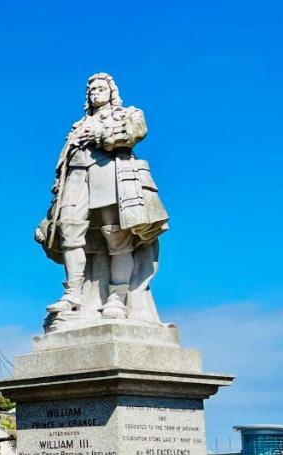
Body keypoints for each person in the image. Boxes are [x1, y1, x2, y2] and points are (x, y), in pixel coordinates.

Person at [35, 72, 168, 322]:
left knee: (116, 236)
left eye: (100, 88)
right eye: (92, 89)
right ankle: (73, 293)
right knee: (69, 230)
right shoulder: (77, 124)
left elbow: (135, 132)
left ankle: (117, 299)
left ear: (111, 92)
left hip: (109, 173)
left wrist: (100, 135)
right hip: (75, 178)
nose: (95, 92)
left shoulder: (127, 113)